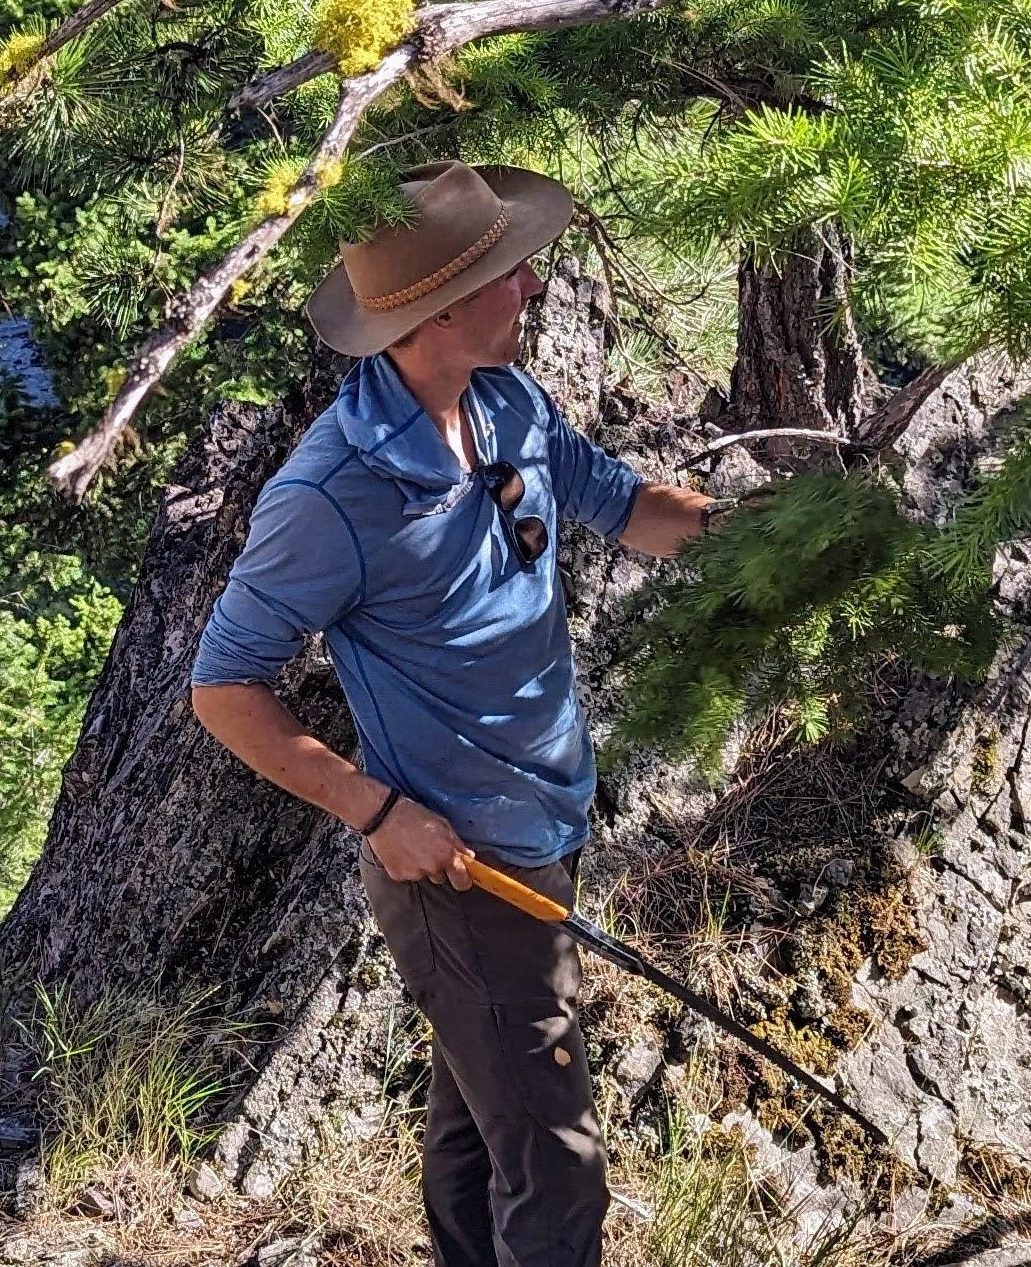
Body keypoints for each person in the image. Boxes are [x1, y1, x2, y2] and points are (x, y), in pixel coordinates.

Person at [188, 160, 717, 1267]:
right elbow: (223, 686)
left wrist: (769, 527)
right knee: (557, 1162)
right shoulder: (329, 495)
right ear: (440, 306)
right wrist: (377, 811)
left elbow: (625, 508)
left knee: (482, 1130)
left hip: (540, 833)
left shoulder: (507, 405)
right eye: (506, 272)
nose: (530, 287)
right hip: (459, 873)